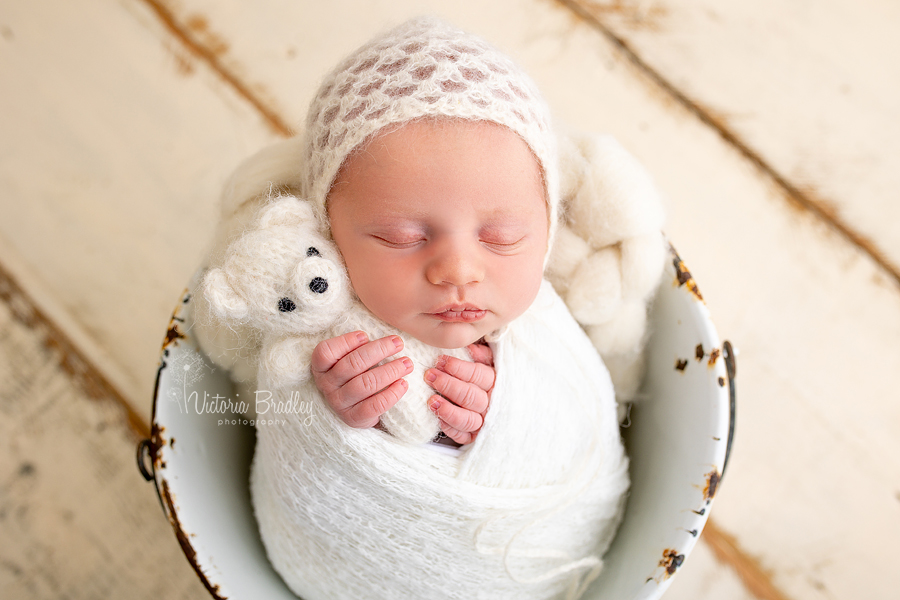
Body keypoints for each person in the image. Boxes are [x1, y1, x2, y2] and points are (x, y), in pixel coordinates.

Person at [300, 17, 562, 447]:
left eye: (503, 236)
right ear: (327, 233)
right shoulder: (309, 314)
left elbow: (589, 425)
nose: (458, 272)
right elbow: (270, 410)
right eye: (401, 238)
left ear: (548, 231)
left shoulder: (550, 334)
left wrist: (518, 412)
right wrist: (327, 407)